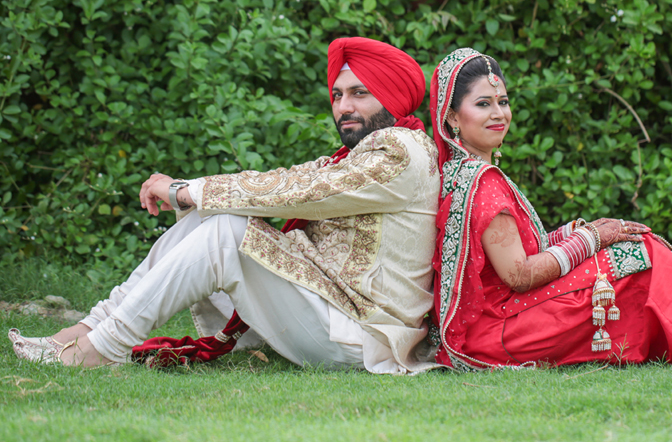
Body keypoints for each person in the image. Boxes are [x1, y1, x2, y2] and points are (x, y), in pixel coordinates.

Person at [9, 37, 440, 374]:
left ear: (391, 95)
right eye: (337, 94)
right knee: (212, 214)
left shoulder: (400, 151)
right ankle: (90, 327)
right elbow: (294, 179)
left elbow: (302, 192)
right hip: (331, 312)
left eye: (360, 93)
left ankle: (102, 348)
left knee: (223, 231)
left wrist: (185, 190)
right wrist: (195, 194)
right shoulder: (360, 154)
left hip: (365, 334)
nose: (344, 107)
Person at [429, 48, 672, 370]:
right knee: (640, 259)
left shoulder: (467, 172)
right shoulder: (483, 182)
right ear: (453, 117)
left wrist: (583, 231)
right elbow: (519, 274)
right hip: (503, 329)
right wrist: (592, 238)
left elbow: (522, 248)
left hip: (502, 319)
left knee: (635, 248)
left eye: (503, 101)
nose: (499, 114)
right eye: (483, 104)